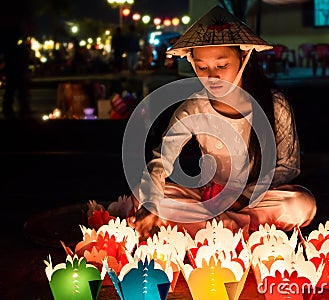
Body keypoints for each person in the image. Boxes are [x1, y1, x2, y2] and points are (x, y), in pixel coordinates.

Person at [129, 6, 316, 240]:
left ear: (243, 58)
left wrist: (242, 196)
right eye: (201, 67)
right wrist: (151, 205)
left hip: (255, 200)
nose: (212, 75)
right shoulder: (192, 108)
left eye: (222, 65)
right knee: (144, 193)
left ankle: (215, 227)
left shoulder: (274, 104)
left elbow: (289, 167)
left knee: (301, 203)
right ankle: (229, 228)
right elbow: (161, 159)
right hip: (209, 197)